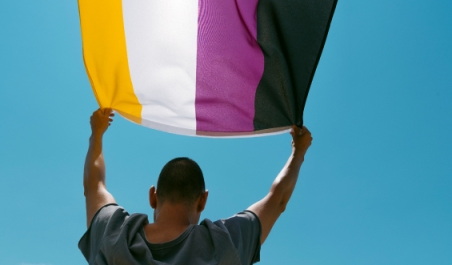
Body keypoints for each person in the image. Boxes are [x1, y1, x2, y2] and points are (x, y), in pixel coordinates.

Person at [79, 108, 312, 264]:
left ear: (153, 196)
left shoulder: (115, 234)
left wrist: (96, 133)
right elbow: (277, 199)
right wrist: (298, 151)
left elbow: (94, 186)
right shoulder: (222, 244)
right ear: (203, 200)